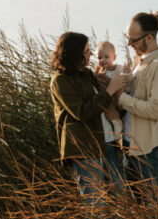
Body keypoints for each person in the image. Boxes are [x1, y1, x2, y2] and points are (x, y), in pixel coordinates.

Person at [107, 10, 158, 209]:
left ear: (149, 37)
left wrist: (122, 98)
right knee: (141, 208)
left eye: (134, 40)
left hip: (146, 147)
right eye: (128, 39)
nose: (129, 44)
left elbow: (157, 109)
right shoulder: (139, 64)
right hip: (129, 144)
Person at [49, 32, 128, 204]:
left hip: (108, 143)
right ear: (74, 54)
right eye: (86, 51)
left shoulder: (86, 73)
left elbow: (104, 100)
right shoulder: (60, 81)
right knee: (95, 203)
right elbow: (81, 112)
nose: (91, 54)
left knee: (120, 197)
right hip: (85, 149)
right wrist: (110, 90)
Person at [93, 40, 129, 190]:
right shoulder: (98, 73)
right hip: (106, 105)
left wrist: (127, 74)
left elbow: (125, 83)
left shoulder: (119, 69)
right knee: (112, 119)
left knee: (116, 122)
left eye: (106, 57)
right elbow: (99, 85)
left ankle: (118, 139)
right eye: (99, 57)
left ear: (114, 57)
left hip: (116, 101)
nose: (103, 60)